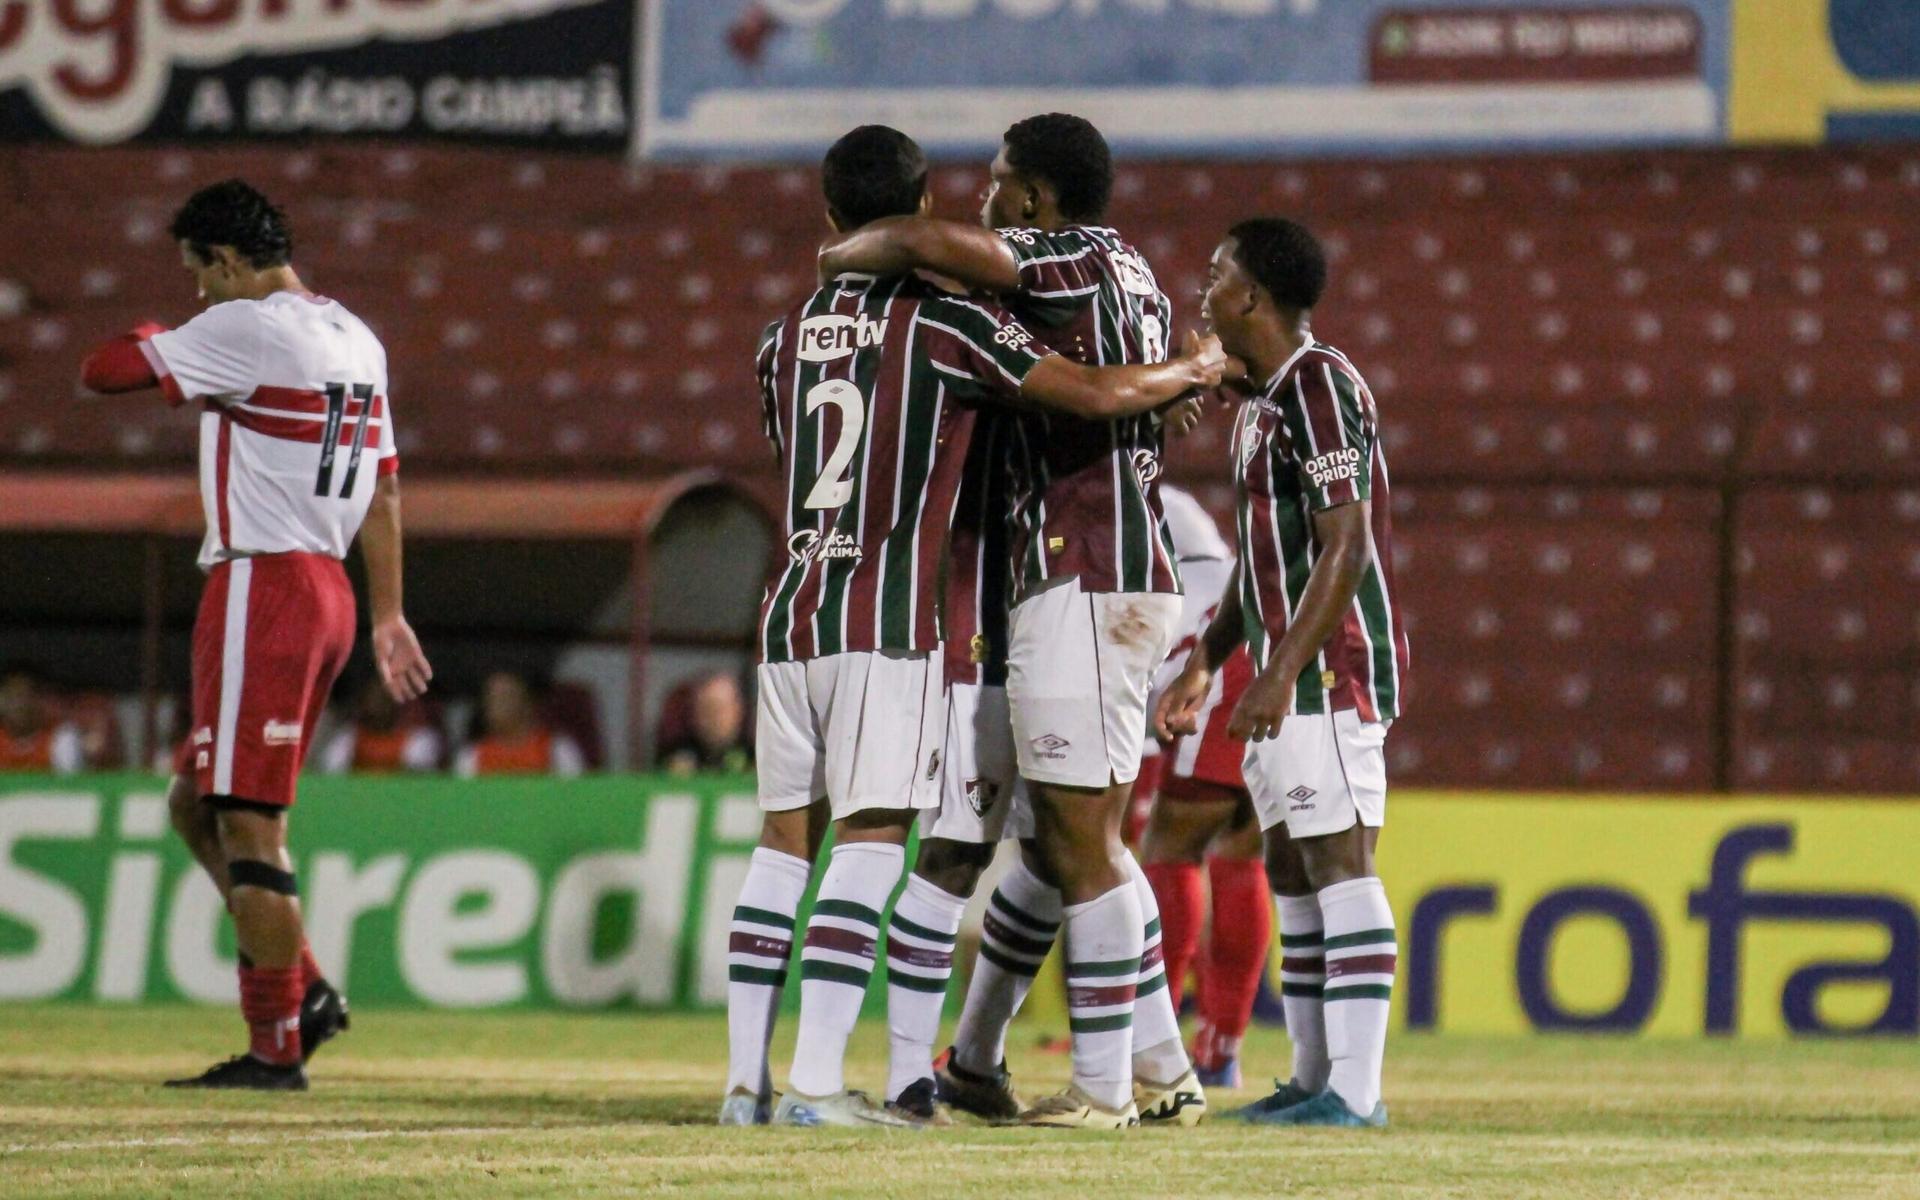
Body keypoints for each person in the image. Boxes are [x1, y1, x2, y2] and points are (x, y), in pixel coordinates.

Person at [722, 123, 1223, 1129]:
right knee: (991, 844)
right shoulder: (1020, 312)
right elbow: (1085, 389)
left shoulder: (785, 339)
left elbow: (823, 444)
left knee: (1041, 844)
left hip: (842, 602)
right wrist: (1189, 370)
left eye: (996, 187)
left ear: (1035, 198)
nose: (984, 205)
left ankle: (766, 1083)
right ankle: (923, 1075)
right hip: (933, 609)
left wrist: (849, 252)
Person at [80, 179, 432, 1090]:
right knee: (196, 803)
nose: (199, 292)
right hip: (329, 591)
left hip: (265, 582)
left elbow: (105, 370)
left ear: (230, 261)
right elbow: (385, 487)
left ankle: (277, 1045)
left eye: (201, 273)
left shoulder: (251, 325)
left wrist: (160, 332)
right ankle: (303, 984)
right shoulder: (357, 335)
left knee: (247, 818)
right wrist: (387, 611)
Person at [1156, 218, 1409, 1128]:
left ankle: (1359, 1093)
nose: (1205, 288)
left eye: (1217, 273)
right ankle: (1312, 1078)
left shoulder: (1321, 387)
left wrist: (1283, 673)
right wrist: (1212, 663)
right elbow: (1264, 562)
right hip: (1277, 669)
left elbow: (1345, 546)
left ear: (1254, 296)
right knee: (1295, 870)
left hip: (1330, 672)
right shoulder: (1264, 402)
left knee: (1342, 863)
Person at [1139, 489, 1274, 1089]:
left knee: (1169, 847)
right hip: (1280, 654)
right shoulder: (1215, 564)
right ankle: (1221, 1049)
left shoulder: (1130, 587)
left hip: (1219, 675)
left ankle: (1152, 1042)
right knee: (1242, 851)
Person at [454, 671, 585, 778]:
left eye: (504, 698)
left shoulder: (558, 749)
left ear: (526, 704)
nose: (495, 706)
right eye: (491, 699)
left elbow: (574, 798)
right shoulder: (471, 756)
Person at [318, 675, 443, 774]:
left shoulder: (418, 740)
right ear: (364, 702)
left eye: (384, 699)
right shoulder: (349, 739)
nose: (378, 705)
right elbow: (330, 773)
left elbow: (421, 781)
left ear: (397, 703)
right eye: (373, 698)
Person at [0, 664, 90, 774]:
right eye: (11, 697)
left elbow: (70, 787)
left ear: (39, 700)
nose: (18, 705)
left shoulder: (61, 736)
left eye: (24, 696)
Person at [659, 673, 752, 776]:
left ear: (738, 711)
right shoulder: (676, 757)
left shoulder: (758, 757)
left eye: (718, 708)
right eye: (705, 709)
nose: (712, 718)